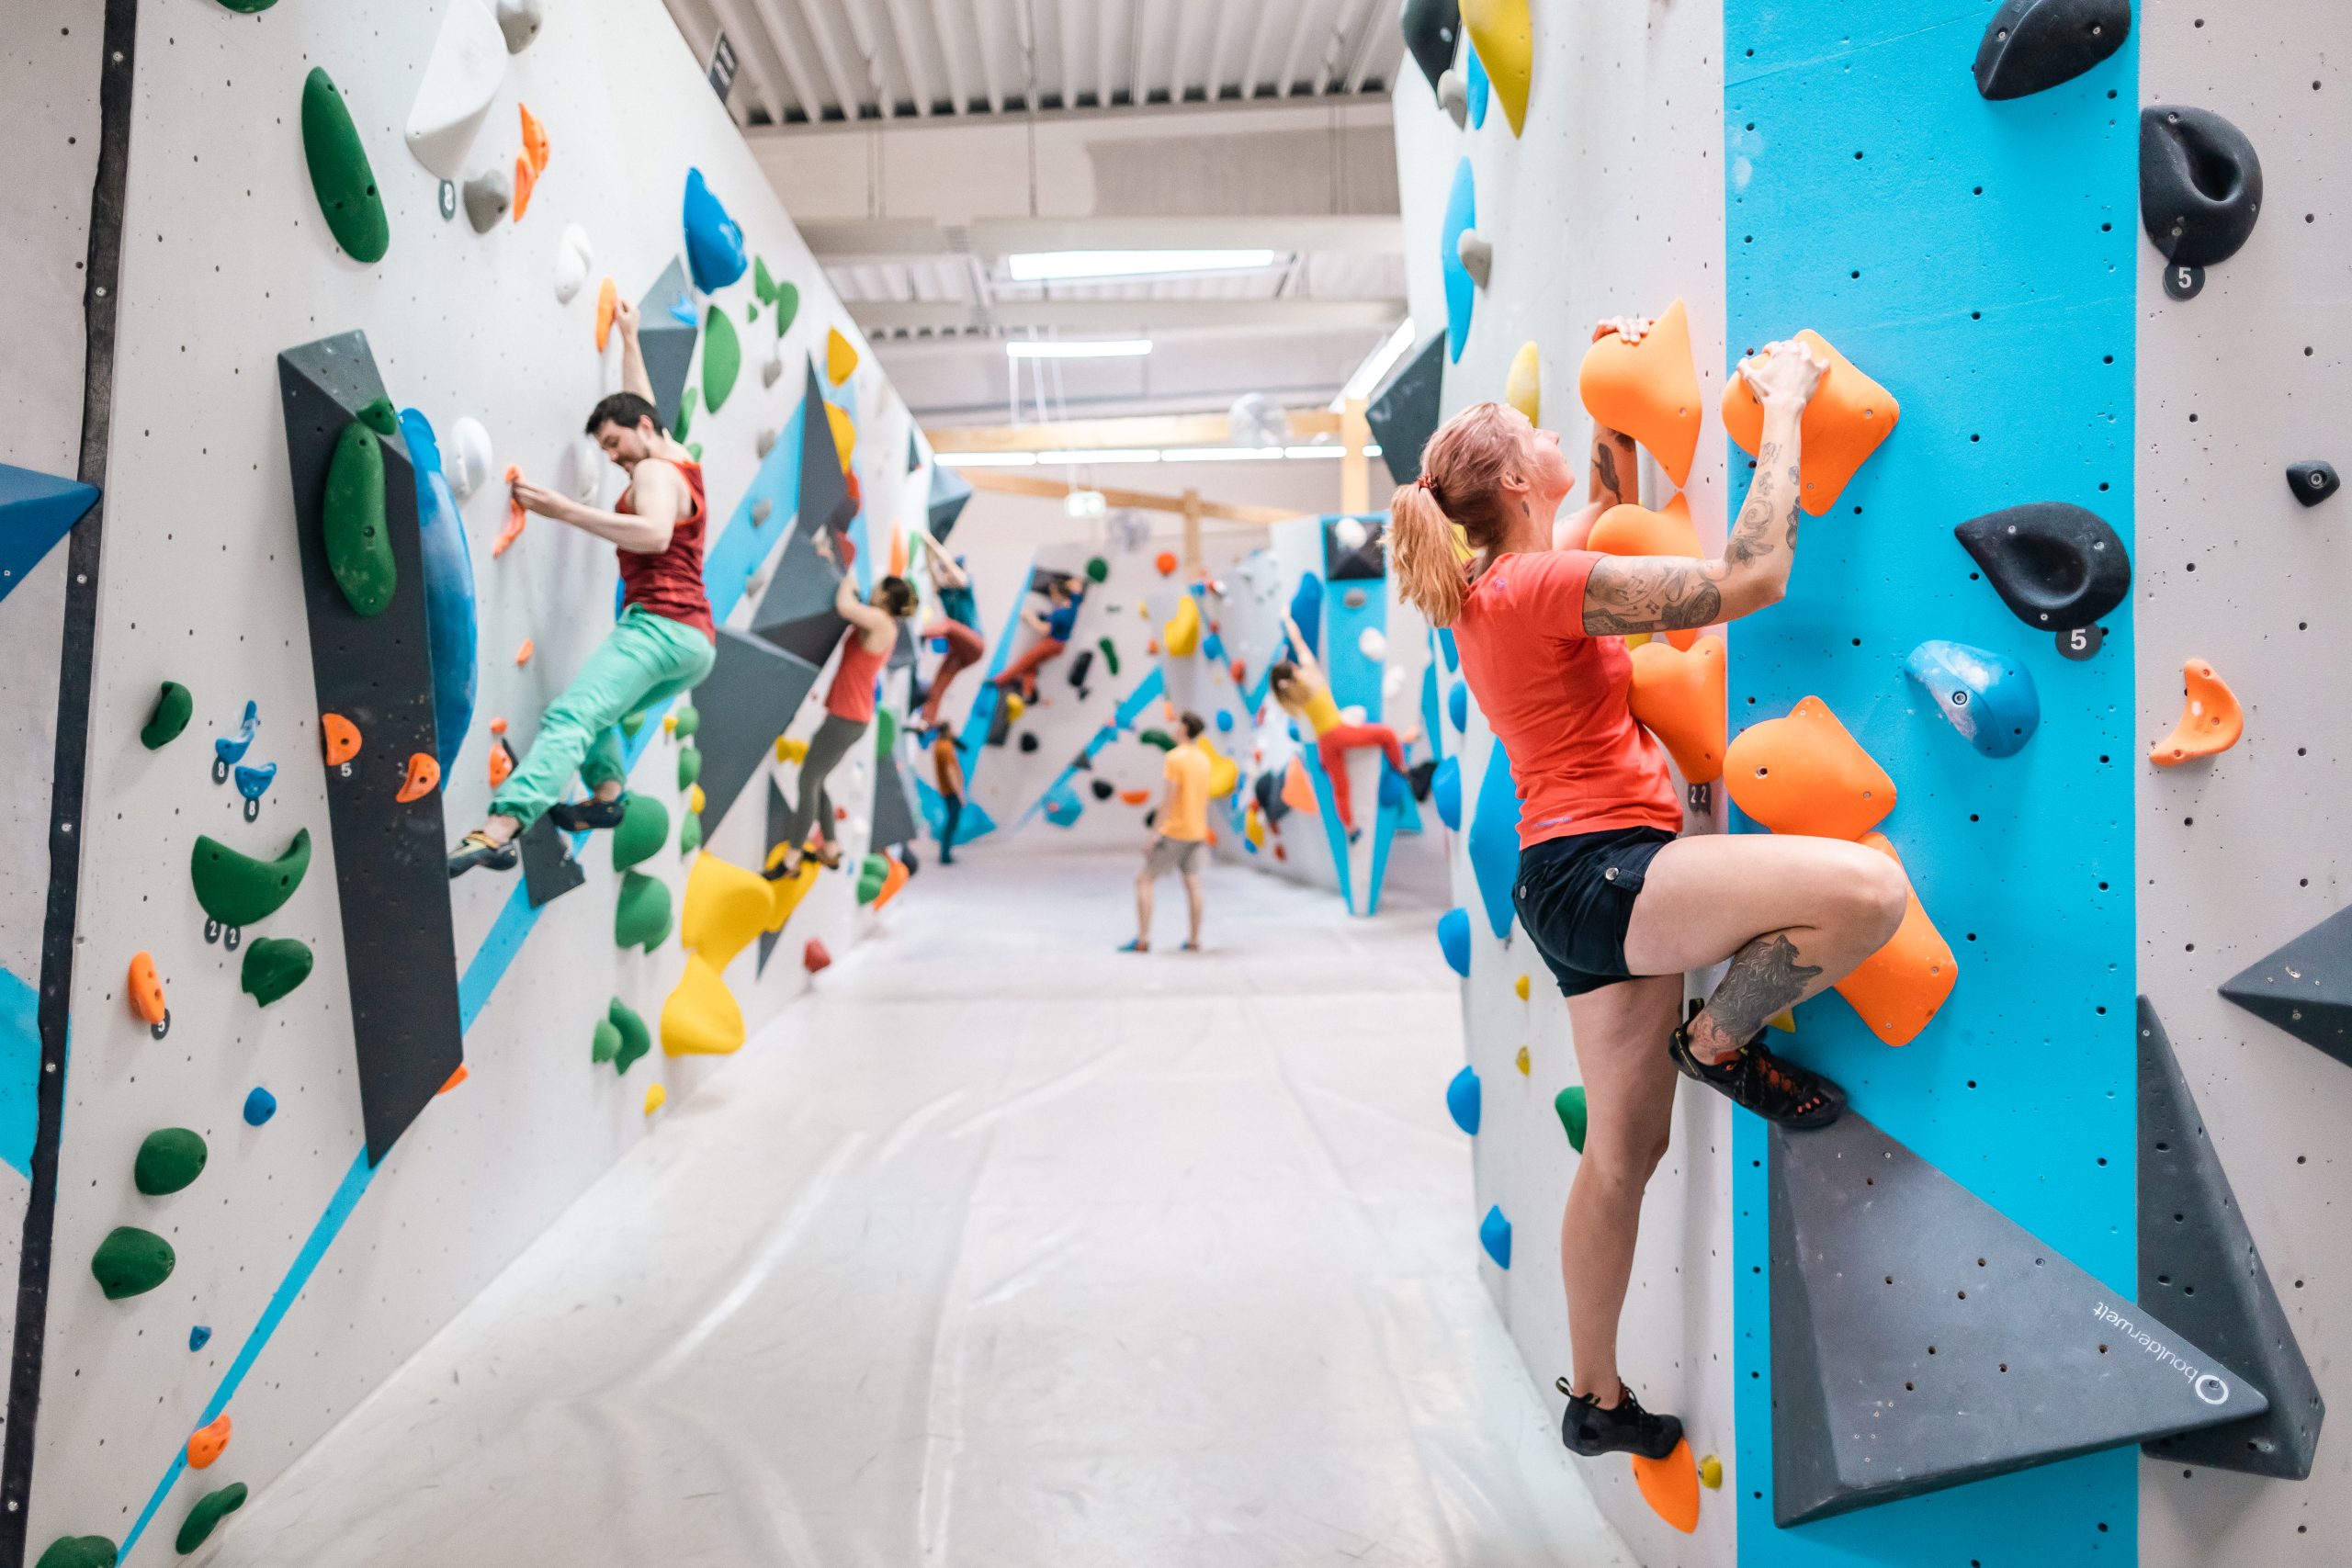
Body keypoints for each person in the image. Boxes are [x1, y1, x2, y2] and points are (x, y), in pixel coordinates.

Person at [1387, 320, 1909, 1464]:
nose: (1547, 435)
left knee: (1620, 1156)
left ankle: (1598, 1397)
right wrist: (1779, 407)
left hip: (1567, 884)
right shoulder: (1537, 584)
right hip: (1610, 869)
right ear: (1519, 481)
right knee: (1865, 894)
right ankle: (1718, 1044)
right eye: (1534, 433)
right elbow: (1750, 578)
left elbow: (1593, 515)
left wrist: (1612, 424)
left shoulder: (1497, 586)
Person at [449, 299, 717, 877]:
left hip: (660, 627)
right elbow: (640, 406)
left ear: (643, 432)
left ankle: (501, 828)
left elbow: (651, 534)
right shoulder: (677, 459)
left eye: (614, 445)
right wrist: (629, 338)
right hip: (695, 645)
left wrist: (566, 510)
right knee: (596, 715)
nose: (613, 458)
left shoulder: (650, 472)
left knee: (569, 716)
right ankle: (607, 795)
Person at [769, 540, 916, 878]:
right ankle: (831, 847)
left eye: (877, 589)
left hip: (848, 716)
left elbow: (845, 606)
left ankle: (793, 856)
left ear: (885, 598)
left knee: (809, 779)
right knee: (817, 779)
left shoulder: (880, 621)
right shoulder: (883, 623)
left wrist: (847, 581)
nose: (872, 591)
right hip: (849, 715)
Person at [1265, 613, 1408, 837]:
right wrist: (1288, 619)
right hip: (1339, 733)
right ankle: (1401, 767)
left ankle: (1350, 828)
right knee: (1387, 735)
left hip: (1325, 744)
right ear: (1293, 670)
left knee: (1340, 787)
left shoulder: (1292, 698)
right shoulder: (1311, 676)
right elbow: (1298, 641)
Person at [1121, 712, 1211, 953]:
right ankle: (1194, 940)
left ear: (1183, 728)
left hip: (1176, 831)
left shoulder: (1174, 758)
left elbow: (1168, 801)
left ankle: (1143, 939)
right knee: (1193, 883)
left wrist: (1153, 834)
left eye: (1176, 724)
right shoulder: (1203, 759)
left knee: (1144, 880)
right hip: (1196, 829)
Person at [915, 533, 986, 728]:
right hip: (958, 650)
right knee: (939, 684)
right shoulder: (945, 591)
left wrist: (930, 540)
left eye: (949, 571)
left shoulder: (965, 586)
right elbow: (932, 569)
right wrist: (926, 549)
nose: (946, 575)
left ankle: (917, 634)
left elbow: (946, 563)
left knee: (948, 625)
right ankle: (927, 720)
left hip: (975, 645)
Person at [989, 576, 1080, 703]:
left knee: (1025, 661)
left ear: (1059, 594)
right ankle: (1028, 692)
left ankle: (998, 681)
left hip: (1052, 643)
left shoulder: (1059, 613)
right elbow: (1076, 584)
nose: (1052, 597)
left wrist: (1029, 617)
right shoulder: (1074, 605)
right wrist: (1065, 585)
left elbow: (1044, 629)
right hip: (1061, 645)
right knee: (1031, 665)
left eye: (1053, 594)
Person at [928, 725, 966, 864]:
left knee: (950, 822)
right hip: (951, 791)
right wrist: (959, 792)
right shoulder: (946, 748)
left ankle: (945, 852)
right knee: (952, 823)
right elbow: (950, 771)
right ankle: (945, 855)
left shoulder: (939, 746)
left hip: (946, 790)